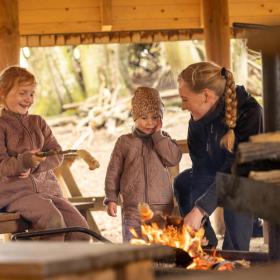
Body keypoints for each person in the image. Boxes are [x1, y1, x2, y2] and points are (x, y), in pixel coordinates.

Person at [174, 62, 263, 250]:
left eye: (185, 99)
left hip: (251, 182)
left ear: (206, 95)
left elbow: (238, 172)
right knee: (183, 181)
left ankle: (235, 255)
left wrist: (200, 210)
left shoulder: (250, 111)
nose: (183, 106)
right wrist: (201, 221)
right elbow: (200, 169)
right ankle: (205, 248)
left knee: (238, 189)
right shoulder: (197, 118)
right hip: (219, 178)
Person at [0, 66, 90, 241]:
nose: (28, 99)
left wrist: (37, 164)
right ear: (3, 93)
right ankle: (46, 266)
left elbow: (57, 154)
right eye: (22, 93)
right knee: (53, 223)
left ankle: (73, 268)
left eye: (32, 94)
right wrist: (24, 162)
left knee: (80, 229)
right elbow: (2, 165)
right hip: (15, 195)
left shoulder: (38, 122)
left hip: (48, 191)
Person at [104, 87, 182, 242]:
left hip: (162, 206)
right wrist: (111, 198)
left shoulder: (163, 139)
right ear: (135, 117)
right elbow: (113, 172)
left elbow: (173, 158)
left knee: (161, 247)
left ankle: (159, 267)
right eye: (144, 118)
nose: (150, 123)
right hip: (133, 207)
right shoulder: (124, 142)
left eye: (155, 117)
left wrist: (158, 136)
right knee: (133, 243)